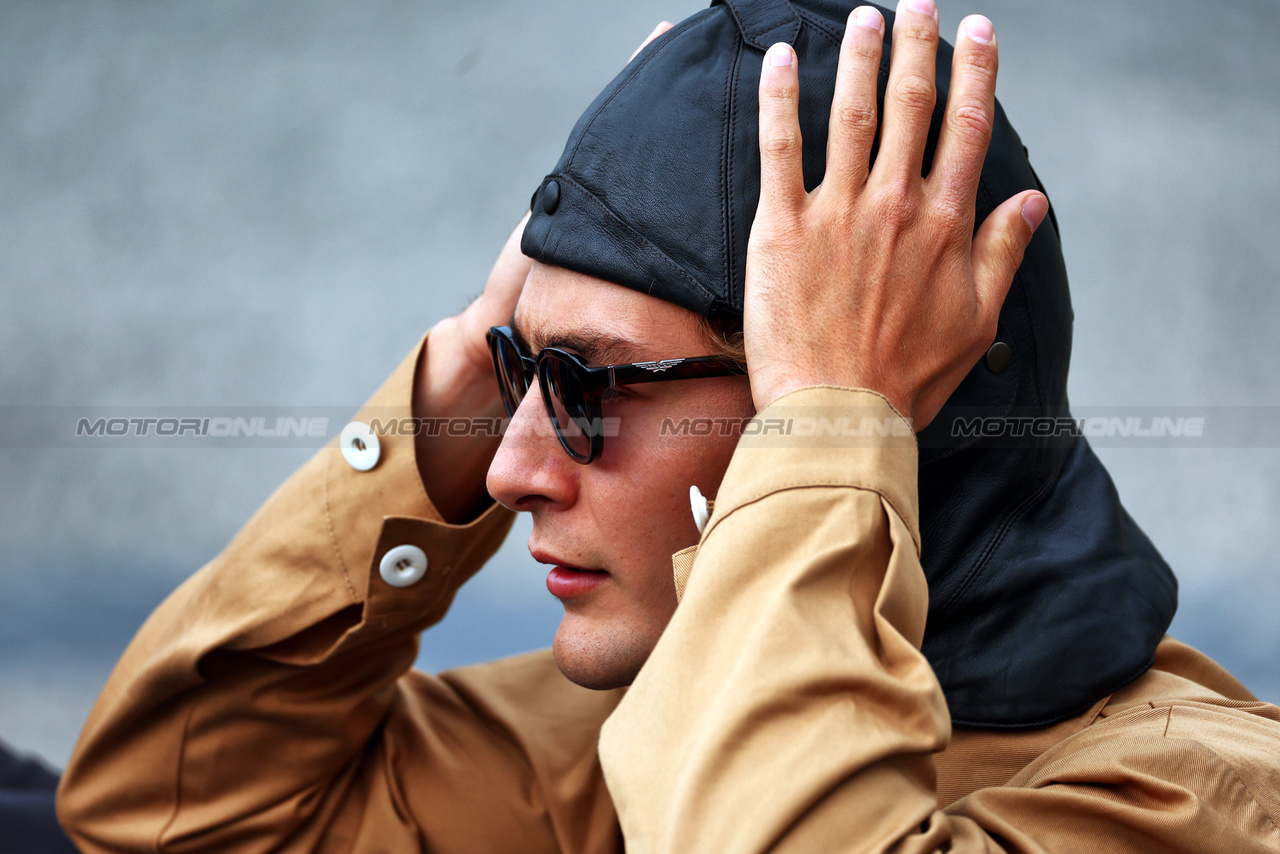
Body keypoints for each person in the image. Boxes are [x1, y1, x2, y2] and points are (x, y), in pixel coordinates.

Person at [58, 1, 1280, 852]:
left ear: (895, 396)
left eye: (591, 387)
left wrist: (822, 434)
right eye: (516, 375)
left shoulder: (1199, 800)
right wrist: (471, 357)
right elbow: (178, 810)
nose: (508, 468)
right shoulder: (632, 721)